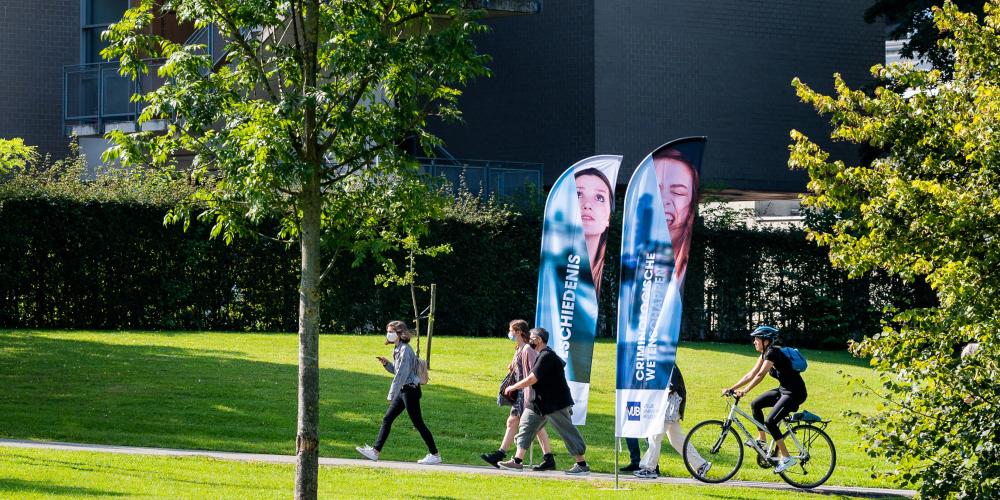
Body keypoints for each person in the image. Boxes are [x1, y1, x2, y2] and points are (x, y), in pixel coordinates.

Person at [497, 328, 591, 475]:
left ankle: (582, 465)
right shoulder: (540, 355)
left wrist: (513, 387)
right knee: (526, 427)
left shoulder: (547, 356)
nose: (529, 340)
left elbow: (532, 378)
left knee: (567, 432)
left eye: (532, 337)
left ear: (539, 340)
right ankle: (517, 461)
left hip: (555, 403)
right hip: (538, 403)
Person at [723, 325, 807, 474]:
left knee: (770, 422)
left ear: (766, 341)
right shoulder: (765, 354)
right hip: (783, 391)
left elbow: (760, 375)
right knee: (756, 404)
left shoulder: (773, 353)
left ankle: (787, 458)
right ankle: (762, 441)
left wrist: (745, 391)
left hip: (795, 393)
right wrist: (732, 388)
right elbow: (750, 374)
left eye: (757, 339)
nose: (754, 342)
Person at [356, 320, 441, 465]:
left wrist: (391, 394)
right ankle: (375, 452)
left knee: (418, 423)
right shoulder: (398, 349)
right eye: (388, 331)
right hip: (405, 390)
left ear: (400, 334)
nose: (388, 334)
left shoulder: (405, 350)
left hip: (410, 391)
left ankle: (435, 455)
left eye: (391, 332)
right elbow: (397, 370)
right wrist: (386, 364)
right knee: (387, 419)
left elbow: (401, 374)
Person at [480, 319, 556, 470]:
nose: (510, 333)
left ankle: (504, 455)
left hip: (527, 392)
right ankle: (548, 458)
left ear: (519, 332)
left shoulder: (528, 349)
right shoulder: (519, 349)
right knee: (530, 425)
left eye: (511, 331)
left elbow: (535, 371)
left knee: (526, 423)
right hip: (521, 392)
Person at [632, 365, 710, 479]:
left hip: (670, 404)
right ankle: (701, 465)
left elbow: (671, 386)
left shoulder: (667, 363)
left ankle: (649, 468)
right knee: (676, 440)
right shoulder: (662, 362)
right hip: (670, 404)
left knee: (655, 436)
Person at [653, 148, 699, 283]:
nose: (663, 200)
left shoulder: (688, 269)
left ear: (691, 205)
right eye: (655, 189)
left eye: (678, 192)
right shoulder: (630, 256)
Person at [575, 167, 614, 296]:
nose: (587, 205)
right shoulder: (553, 271)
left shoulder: (611, 277)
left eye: (599, 197)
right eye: (578, 194)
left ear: (609, 218)